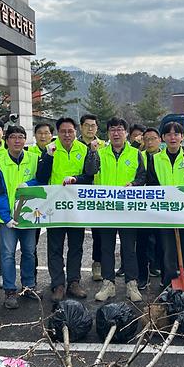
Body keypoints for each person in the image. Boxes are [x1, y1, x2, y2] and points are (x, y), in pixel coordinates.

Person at [37, 117, 99, 301]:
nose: (67, 134)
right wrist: (48, 157)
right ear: (57, 133)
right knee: (54, 247)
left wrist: (75, 179)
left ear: (75, 131)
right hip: (54, 207)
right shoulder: (50, 150)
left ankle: (74, 282)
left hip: (75, 207)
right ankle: (58, 284)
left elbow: (89, 176)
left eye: (70, 131)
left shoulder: (83, 149)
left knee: (76, 246)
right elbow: (41, 177)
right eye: (63, 131)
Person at [93, 117, 147, 302]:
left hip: (128, 210)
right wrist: (92, 154)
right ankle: (108, 284)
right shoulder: (99, 153)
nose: (116, 133)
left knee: (129, 249)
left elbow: (142, 177)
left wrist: (134, 184)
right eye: (112, 130)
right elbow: (90, 172)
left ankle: (131, 284)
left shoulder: (135, 153)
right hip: (105, 209)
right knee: (106, 248)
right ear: (108, 133)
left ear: (126, 133)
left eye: (120, 130)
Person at [146, 121, 184, 287]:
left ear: (181, 137)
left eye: (176, 134)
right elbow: (152, 183)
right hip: (165, 212)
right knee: (168, 251)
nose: (173, 137)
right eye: (169, 134)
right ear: (163, 138)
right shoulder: (155, 158)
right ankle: (168, 283)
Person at [0, 125, 40, 310]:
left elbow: (42, 180)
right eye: (13, 137)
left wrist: (29, 182)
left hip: (28, 216)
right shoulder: (0, 162)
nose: (17, 140)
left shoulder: (34, 159)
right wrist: (5, 216)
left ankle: (28, 286)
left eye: (21, 137)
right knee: (7, 255)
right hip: (8, 219)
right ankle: (10, 291)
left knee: (29, 252)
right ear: (7, 140)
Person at [79, 113, 106, 281]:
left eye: (93, 125)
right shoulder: (74, 145)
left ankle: (97, 264)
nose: (90, 128)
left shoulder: (104, 146)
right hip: (76, 194)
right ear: (81, 127)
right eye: (87, 125)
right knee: (75, 235)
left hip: (97, 194)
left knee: (98, 233)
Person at [136, 128, 164, 286]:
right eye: (147, 139)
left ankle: (164, 277)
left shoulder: (166, 157)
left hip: (162, 207)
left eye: (153, 138)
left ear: (160, 140)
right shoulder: (139, 156)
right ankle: (142, 277)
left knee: (163, 244)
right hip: (143, 208)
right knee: (142, 244)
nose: (150, 142)